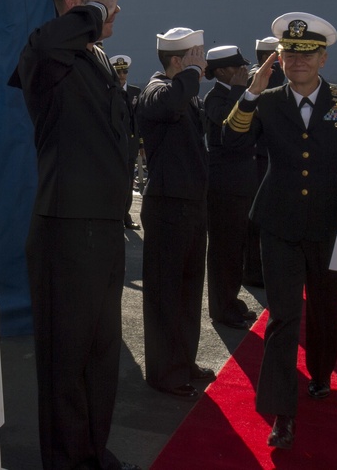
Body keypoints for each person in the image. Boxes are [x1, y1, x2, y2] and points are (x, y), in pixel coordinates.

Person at [223, 12, 337, 450]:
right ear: (280, 57)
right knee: (283, 317)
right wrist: (251, 92)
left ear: (323, 59)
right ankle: (282, 414)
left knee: (329, 312)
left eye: (307, 54)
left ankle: (322, 373)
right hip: (280, 224)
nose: (298, 61)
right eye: (290, 53)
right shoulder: (268, 101)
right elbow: (231, 142)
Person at [11, 0, 141, 470]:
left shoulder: (95, 60)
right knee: (65, 364)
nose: (116, 9)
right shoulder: (48, 58)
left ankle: (91, 453)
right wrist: (92, 9)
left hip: (103, 228)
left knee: (100, 357)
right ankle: (66, 462)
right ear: (75, 6)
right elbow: (43, 45)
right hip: (66, 230)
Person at [136, 27, 215, 400]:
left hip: (190, 205)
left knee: (187, 292)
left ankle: (183, 361)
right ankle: (164, 372)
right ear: (178, 61)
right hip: (167, 206)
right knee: (165, 295)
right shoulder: (156, 90)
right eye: (195, 57)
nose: (203, 63)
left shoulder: (187, 95)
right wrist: (192, 74)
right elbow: (167, 103)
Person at [203, 45, 258, 330]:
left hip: (240, 184)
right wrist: (240, 90)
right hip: (223, 187)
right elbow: (227, 122)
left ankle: (231, 300)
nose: (244, 72)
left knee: (236, 248)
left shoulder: (235, 93)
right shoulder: (215, 97)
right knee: (224, 250)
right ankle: (221, 309)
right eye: (239, 68)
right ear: (224, 71)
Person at [243, 36, 286, 287]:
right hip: (261, 156)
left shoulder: (259, 77)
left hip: (264, 154)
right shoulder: (262, 78)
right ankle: (256, 272)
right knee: (259, 218)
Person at [111, 53, 143, 230]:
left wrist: (141, 144)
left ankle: (126, 215)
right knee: (117, 182)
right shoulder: (109, 92)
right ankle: (114, 215)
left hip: (130, 147)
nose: (122, 75)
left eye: (125, 71)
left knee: (129, 181)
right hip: (115, 146)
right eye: (119, 72)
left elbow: (137, 121)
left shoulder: (135, 93)